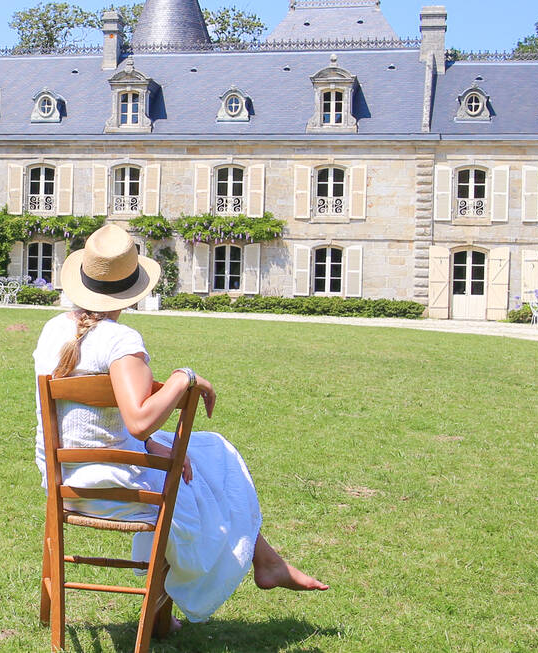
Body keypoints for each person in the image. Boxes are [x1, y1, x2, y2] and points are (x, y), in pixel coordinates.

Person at [33, 223, 326, 626]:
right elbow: (137, 421)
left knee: (201, 453)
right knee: (207, 466)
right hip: (108, 485)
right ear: (132, 288)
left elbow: (91, 420)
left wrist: (154, 445)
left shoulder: (54, 330)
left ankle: (267, 561)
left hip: (62, 476)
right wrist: (182, 377)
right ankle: (251, 570)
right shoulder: (121, 341)